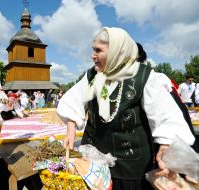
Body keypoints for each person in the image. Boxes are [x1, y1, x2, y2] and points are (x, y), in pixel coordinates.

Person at [57, 27, 195, 190]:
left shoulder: (144, 76)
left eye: (98, 50)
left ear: (117, 51)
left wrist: (165, 146)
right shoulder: (93, 76)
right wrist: (70, 130)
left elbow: (165, 115)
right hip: (94, 164)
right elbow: (74, 100)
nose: (92, 55)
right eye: (93, 49)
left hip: (130, 168)